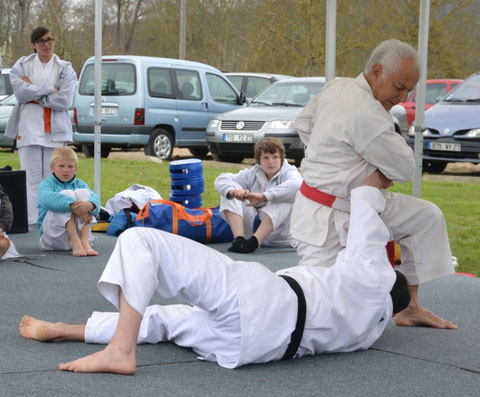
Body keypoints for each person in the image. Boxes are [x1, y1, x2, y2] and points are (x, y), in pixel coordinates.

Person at [20, 171, 411, 374]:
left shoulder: (374, 271)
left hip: (263, 301)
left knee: (141, 241)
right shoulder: (372, 331)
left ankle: (120, 350)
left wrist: (381, 168)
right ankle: (64, 329)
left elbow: (364, 198)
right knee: (165, 320)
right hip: (258, 349)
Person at [291, 39, 456, 329]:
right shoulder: (367, 114)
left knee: (424, 217)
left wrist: (343, 159)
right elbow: (405, 168)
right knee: (319, 310)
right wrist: (367, 169)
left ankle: (410, 307)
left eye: (409, 89)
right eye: (399, 87)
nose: (403, 98)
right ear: (377, 71)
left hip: (361, 204)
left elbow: (304, 125)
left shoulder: (337, 87)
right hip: (324, 217)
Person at [5, 26, 77, 228]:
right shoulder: (23, 64)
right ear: (33, 44)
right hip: (28, 129)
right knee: (30, 177)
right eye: (41, 41)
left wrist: (34, 93)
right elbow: (20, 93)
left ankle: (52, 220)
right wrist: (47, 90)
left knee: (53, 178)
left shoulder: (65, 67)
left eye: (49, 40)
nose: (46, 44)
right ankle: (32, 221)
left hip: (55, 129)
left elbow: (65, 99)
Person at [214, 137, 302, 253]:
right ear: (259, 161)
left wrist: (264, 197)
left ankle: (254, 242)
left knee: (286, 198)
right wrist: (233, 192)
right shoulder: (254, 172)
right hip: (251, 232)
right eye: (266, 158)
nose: (271, 162)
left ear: (281, 158)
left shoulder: (289, 172)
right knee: (230, 190)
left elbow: (298, 185)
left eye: (275, 157)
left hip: (282, 239)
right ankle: (239, 241)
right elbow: (221, 179)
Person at [38, 146, 100, 256]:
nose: (66, 170)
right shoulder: (46, 184)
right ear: (52, 168)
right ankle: (75, 241)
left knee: (84, 193)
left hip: (80, 235)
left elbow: (96, 199)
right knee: (66, 194)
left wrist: (89, 205)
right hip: (54, 238)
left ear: (76, 169)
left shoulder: (81, 184)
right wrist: (72, 205)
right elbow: (46, 199)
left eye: (70, 166)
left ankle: (85, 240)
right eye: (61, 166)